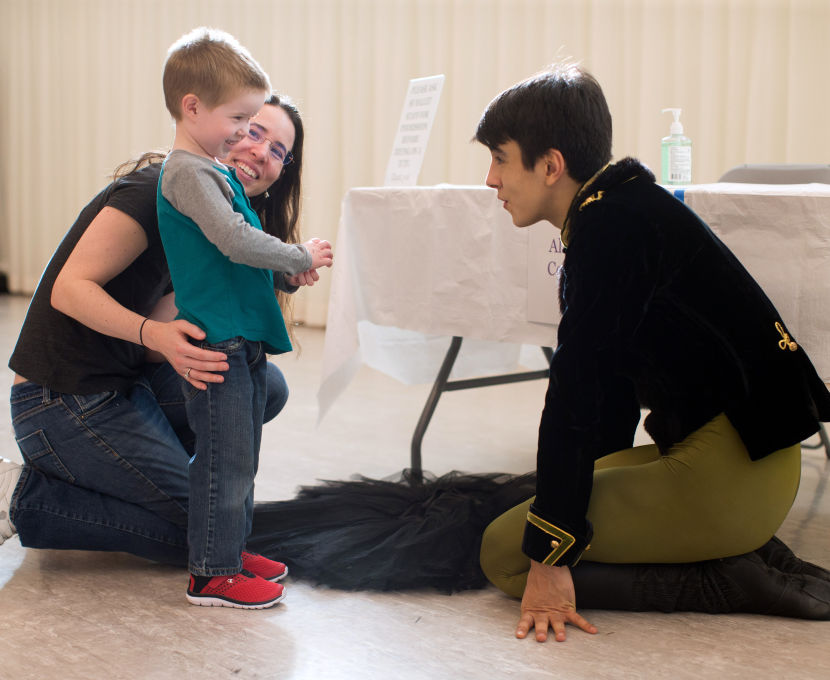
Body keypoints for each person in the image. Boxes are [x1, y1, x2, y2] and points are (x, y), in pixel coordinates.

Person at [473, 64, 830, 641]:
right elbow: (608, 393)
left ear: (550, 165)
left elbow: (576, 397)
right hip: (756, 461)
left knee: (504, 552)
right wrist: (584, 505)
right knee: (550, 505)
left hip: (732, 477)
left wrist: (550, 560)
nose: (491, 178)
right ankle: (734, 550)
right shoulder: (621, 208)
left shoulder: (610, 228)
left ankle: (724, 579)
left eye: (499, 157)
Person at [0, 89, 320, 601]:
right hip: (58, 399)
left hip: (125, 385)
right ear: (222, 126)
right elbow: (68, 289)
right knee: (205, 533)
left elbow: (172, 317)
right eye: (253, 130)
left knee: (266, 387)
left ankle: (136, 480)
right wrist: (157, 337)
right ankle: (24, 497)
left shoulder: (222, 221)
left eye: (279, 151)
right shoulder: (155, 190)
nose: (261, 152)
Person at [154, 27, 332, 609]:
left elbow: (238, 253)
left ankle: (229, 550)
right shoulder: (187, 171)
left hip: (242, 341)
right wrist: (297, 254)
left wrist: (285, 271)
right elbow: (234, 240)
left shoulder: (212, 172)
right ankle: (211, 572)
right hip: (219, 344)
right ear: (193, 107)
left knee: (242, 456)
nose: (242, 136)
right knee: (223, 463)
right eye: (242, 121)